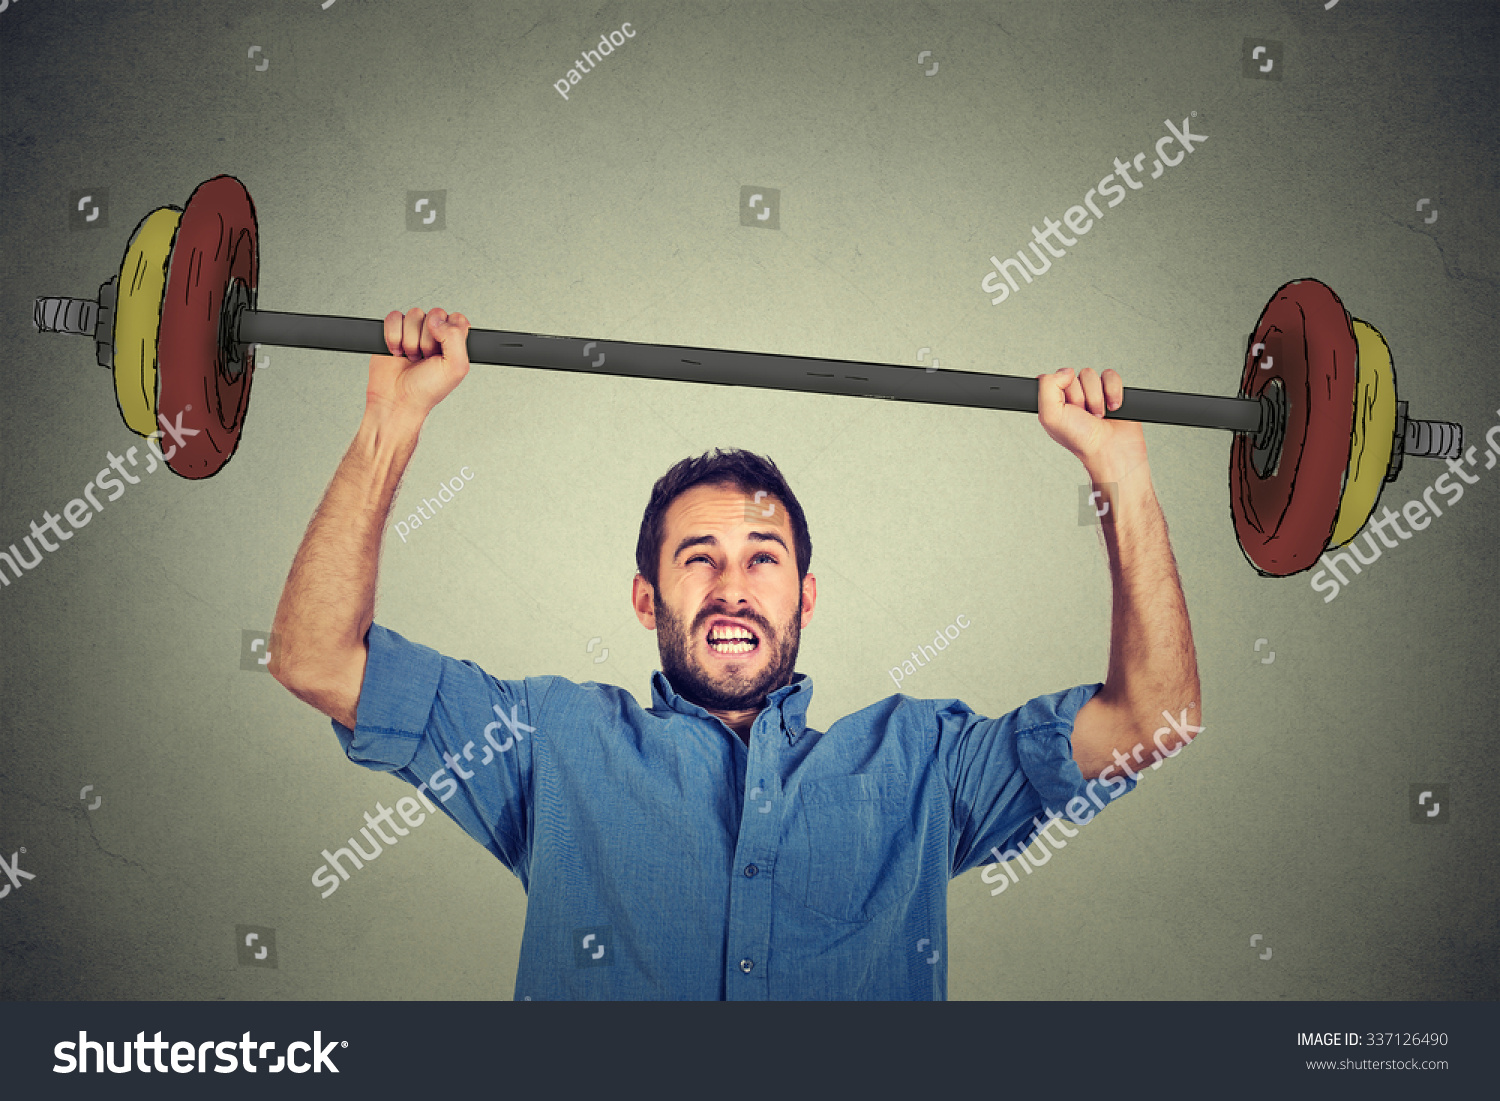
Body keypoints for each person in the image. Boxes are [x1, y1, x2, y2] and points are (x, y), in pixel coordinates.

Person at [269, 306, 1201, 1000]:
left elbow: (1154, 719)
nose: (732, 585)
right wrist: (389, 423)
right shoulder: (548, 741)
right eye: (698, 558)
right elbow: (315, 657)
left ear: (804, 595)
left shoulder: (925, 764)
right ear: (646, 597)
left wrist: (1121, 475)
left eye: (764, 559)